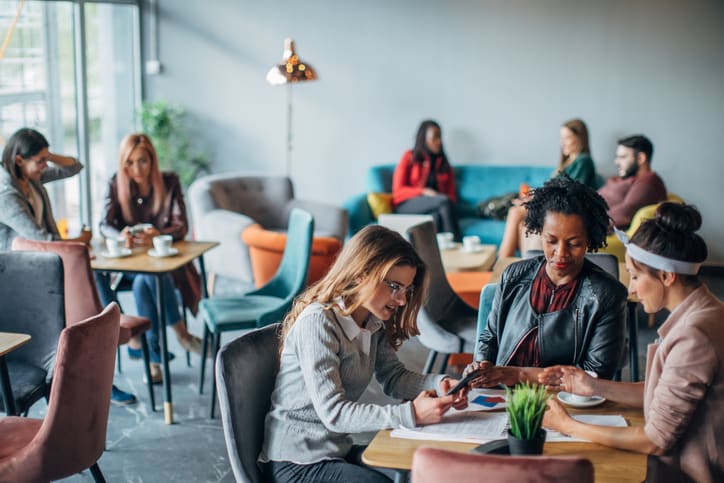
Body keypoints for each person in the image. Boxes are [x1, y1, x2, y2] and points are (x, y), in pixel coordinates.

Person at [259, 225, 469, 483]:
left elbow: (394, 378)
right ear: (360, 274)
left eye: (407, 289)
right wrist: (411, 414)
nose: (402, 300)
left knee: (425, 469)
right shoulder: (318, 323)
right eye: (394, 286)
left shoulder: (372, 321)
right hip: (295, 463)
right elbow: (334, 414)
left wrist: (441, 383)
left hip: (336, 451)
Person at [540, 203, 723, 483]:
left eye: (636, 276)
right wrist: (594, 387)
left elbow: (655, 441)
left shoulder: (694, 335)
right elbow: (663, 394)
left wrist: (568, 425)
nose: (631, 288)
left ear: (666, 276)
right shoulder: (708, 310)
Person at [0, 127, 136, 406]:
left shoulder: (31, 176)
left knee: (96, 293)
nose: (45, 166)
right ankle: (104, 359)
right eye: (40, 161)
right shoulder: (7, 194)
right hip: (22, 276)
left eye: (45, 159)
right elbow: (40, 239)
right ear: (17, 160)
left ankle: (112, 330)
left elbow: (75, 166)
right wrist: (78, 243)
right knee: (83, 317)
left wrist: (46, 154)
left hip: (50, 264)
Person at [464, 176, 627, 388]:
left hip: (564, 403)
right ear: (539, 232)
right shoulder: (514, 275)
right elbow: (491, 335)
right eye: (551, 241)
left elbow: (595, 375)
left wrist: (516, 375)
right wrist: (483, 364)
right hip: (501, 395)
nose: (561, 253)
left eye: (574, 243)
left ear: (589, 239)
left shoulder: (606, 295)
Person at [95, 133, 203, 384]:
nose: (136, 169)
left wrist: (159, 235)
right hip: (126, 265)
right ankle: (183, 335)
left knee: (147, 280)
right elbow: (103, 224)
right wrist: (121, 236)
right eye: (129, 162)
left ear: (153, 160)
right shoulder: (115, 182)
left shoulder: (170, 182)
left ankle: (153, 358)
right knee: (145, 277)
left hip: (163, 265)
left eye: (142, 161)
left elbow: (181, 226)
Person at [498, 118, 601, 257]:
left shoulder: (583, 160)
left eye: (567, 138)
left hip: (567, 207)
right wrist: (532, 197)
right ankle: (524, 268)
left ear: (580, 139)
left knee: (515, 212)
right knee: (523, 225)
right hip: (553, 204)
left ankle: (501, 264)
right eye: (561, 138)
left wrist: (535, 200)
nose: (562, 142)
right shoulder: (567, 162)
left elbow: (570, 190)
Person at [392, 119, 460, 239]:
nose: (439, 141)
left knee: (436, 216)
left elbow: (452, 196)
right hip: (407, 204)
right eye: (435, 137)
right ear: (424, 139)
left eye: (440, 137)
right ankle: (456, 243)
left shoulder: (444, 163)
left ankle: (439, 252)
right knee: (443, 201)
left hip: (436, 205)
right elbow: (398, 192)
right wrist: (423, 192)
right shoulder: (409, 156)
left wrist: (438, 200)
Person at [597, 134, 667, 230]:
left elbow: (625, 213)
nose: (616, 162)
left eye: (623, 157)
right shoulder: (626, 178)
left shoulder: (649, 182)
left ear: (640, 158)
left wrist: (585, 221)